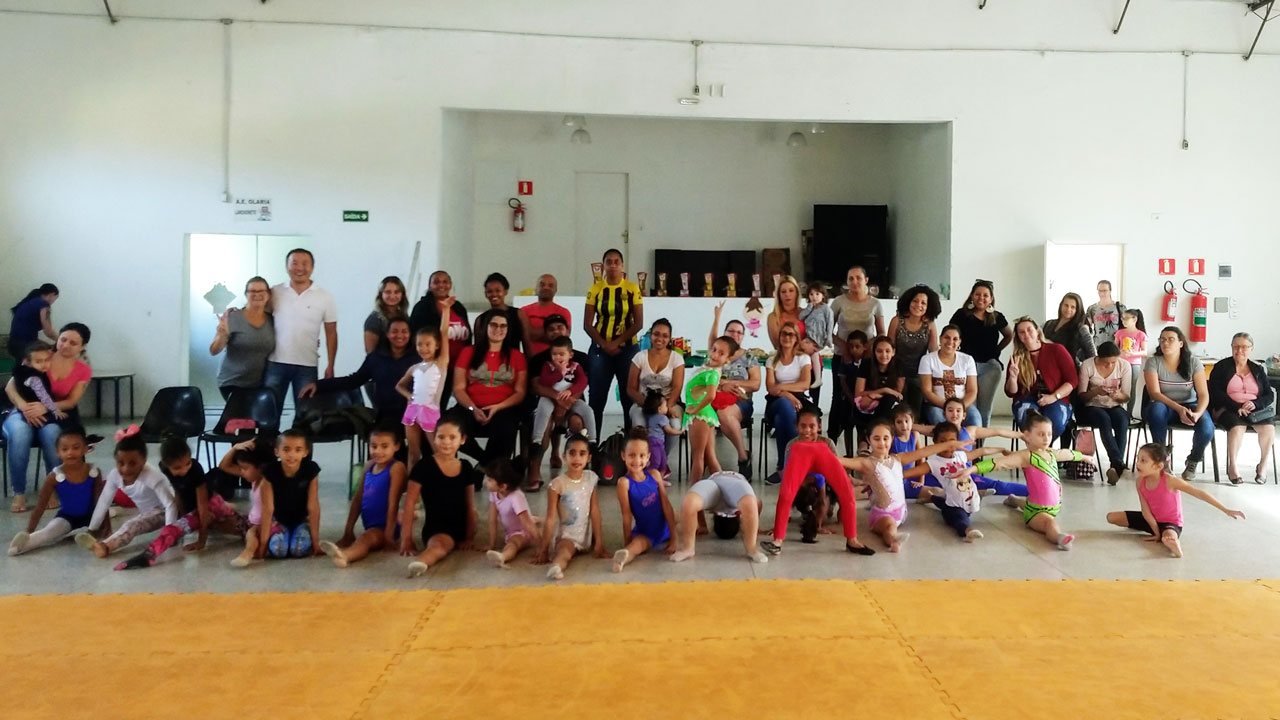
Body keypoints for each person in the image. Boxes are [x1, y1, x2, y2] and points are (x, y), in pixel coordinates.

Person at [963, 413, 1094, 551]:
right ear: (1027, 436)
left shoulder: (1050, 453)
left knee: (1028, 502)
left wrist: (1084, 457)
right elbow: (999, 463)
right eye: (1041, 434)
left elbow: (1067, 453)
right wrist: (972, 469)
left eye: (1049, 434)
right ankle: (1059, 537)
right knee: (1049, 523)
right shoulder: (1025, 456)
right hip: (1036, 512)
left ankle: (1013, 499)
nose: (1046, 438)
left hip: (1049, 506)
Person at [761, 407, 877, 556]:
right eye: (803, 426)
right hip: (804, 483)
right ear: (796, 427)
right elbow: (788, 481)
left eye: (811, 426)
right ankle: (778, 540)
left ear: (819, 427)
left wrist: (854, 481)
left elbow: (838, 471)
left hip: (822, 481)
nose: (807, 431)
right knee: (786, 494)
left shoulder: (826, 443)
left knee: (847, 491)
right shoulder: (793, 445)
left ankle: (852, 540)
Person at [4, 322, 92, 513]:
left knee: (52, 434)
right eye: (63, 339)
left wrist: (45, 407)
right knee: (20, 433)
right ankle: (18, 492)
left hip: (52, 413)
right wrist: (24, 407)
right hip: (22, 409)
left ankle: (52, 486)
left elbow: (71, 401)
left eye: (73, 343)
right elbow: (11, 386)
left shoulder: (82, 370)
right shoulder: (40, 354)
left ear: (82, 346)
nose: (66, 345)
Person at [1106, 443, 1246, 558]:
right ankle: (1162, 535)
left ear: (1158, 466)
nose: (1138, 464)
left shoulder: (1170, 481)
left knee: (1168, 538)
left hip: (1171, 523)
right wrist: (1156, 532)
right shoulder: (1140, 482)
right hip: (1151, 520)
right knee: (1111, 517)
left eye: (1143, 461)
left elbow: (1200, 493)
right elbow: (1145, 510)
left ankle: (1174, 546)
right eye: (1138, 459)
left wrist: (1225, 509)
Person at [851, 420, 971, 552]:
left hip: (902, 512)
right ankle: (894, 541)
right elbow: (840, 462)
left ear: (892, 439)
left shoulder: (898, 458)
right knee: (890, 527)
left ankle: (894, 536)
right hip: (883, 515)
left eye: (885, 438)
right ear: (869, 440)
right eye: (876, 438)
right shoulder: (866, 462)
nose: (882, 443)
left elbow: (924, 452)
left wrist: (950, 444)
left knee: (935, 491)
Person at [112, 437, 220, 570]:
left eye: (188, 463)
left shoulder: (195, 469)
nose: (184, 470)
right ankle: (148, 556)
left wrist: (202, 541)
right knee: (174, 527)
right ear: (165, 464)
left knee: (235, 525)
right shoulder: (164, 468)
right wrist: (182, 517)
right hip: (192, 508)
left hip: (211, 505)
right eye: (177, 468)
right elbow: (178, 492)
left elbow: (203, 506)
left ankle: (148, 555)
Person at [74, 431, 178, 558]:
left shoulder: (153, 477)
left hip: (165, 512)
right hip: (148, 512)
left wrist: (169, 534)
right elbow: (104, 501)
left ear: (144, 461)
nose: (126, 469)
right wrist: (93, 529)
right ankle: (100, 543)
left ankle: (106, 547)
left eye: (132, 463)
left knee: (132, 525)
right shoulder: (114, 475)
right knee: (133, 521)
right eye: (121, 463)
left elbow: (170, 505)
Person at [263, 249, 338, 417]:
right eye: (294, 263)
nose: (299, 268)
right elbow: (257, 314)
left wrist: (331, 365)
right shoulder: (275, 292)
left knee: (305, 416)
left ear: (312, 267)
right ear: (286, 266)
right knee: (269, 414)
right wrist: (235, 312)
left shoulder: (325, 297)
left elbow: (331, 333)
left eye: (305, 263)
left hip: (307, 365)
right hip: (275, 363)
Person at [319, 426, 407, 568]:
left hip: (385, 526)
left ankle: (346, 555)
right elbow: (358, 499)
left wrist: (389, 535)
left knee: (365, 539)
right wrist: (348, 531)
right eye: (374, 446)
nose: (378, 451)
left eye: (384, 446)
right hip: (371, 524)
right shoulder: (369, 466)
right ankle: (345, 549)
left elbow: (393, 502)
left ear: (396, 446)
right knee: (365, 536)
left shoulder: (396, 468)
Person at [302, 318, 416, 424]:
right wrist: (319, 385)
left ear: (410, 334)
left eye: (404, 331)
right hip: (385, 417)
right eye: (394, 331)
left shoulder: (418, 358)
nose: (399, 335)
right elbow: (353, 381)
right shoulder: (376, 358)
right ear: (387, 334)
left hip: (414, 416)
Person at [8, 429, 103, 556]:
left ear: (86, 449)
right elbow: (40, 506)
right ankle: (22, 544)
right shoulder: (54, 476)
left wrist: (104, 528)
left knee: (103, 522)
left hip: (91, 515)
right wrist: (29, 531)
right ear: (58, 453)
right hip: (67, 517)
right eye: (65, 449)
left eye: (76, 448)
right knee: (48, 533)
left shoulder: (93, 472)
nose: (70, 452)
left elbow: (101, 502)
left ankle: (91, 535)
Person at [403, 415, 477, 578]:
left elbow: (470, 505)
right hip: (437, 528)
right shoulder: (423, 467)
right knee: (439, 546)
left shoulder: (466, 467)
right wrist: (406, 538)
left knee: (474, 516)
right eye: (441, 437)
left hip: (461, 526)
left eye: (452, 437)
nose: (446, 442)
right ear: (434, 439)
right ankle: (421, 562)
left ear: (462, 440)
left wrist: (469, 537)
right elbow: (409, 503)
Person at [454, 309, 527, 467]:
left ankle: (484, 469)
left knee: (506, 430)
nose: (498, 329)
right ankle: (487, 464)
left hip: (503, 407)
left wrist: (497, 407)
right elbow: (458, 388)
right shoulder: (468, 352)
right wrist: (473, 408)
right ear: (485, 327)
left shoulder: (517, 356)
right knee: (451, 428)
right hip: (470, 406)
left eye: (503, 326)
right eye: (493, 325)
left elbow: (520, 392)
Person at [526, 315, 590, 491]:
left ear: (567, 330)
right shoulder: (538, 359)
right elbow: (537, 386)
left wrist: (565, 403)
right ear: (546, 334)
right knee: (544, 425)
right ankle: (534, 471)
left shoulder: (581, 358)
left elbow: (582, 385)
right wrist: (557, 400)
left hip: (572, 402)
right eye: (551, 329)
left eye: (560, 328)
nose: (556, 332)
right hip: (547, 401)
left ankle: (577, 470)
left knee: (577, 422)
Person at [913, 397, 1027, 496]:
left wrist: (1022, 435)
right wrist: (904, 423)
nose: (954, 414)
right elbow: (914, 427)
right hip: (942, 475)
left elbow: (998, 431)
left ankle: (1031, 490)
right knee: (912, 482)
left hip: (965, 475)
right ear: (944, 414)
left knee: (998, 486)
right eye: (950, 410)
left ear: (964, 415)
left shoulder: (971, 431)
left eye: (958, 411)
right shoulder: (938, 430)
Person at [583, 249, 644, 432]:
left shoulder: (632, 289)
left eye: (616, 262)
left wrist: (615, 343)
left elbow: (638, 323)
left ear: (622, 265)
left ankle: (630, 443)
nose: (613, 265)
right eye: (609, 262)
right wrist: (604, 344)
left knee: (629, 397)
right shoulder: (595, 289)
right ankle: (592, 443)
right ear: (603, 266)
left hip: (627, 349)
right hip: (600, 349)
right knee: (597, 397)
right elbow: (587, 324)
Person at [1144, 326, 1213, 481]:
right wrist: (1179, 408)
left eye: (1171, 339)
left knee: (1207, 427)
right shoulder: (1153, 362)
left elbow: (1203, 394)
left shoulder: (1194, 362)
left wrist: (1197, 413)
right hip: (1164, 406)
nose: (1165, 343)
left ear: (1181, 343)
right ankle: (1162, 459)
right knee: (1156, 410)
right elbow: (1155, 393)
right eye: (1162, 339)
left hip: (1190, 405)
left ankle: (1193, 460)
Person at [535, 434, 607, 580]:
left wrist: (599, 542)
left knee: (588, 543)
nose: (577, 458)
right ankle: (557, 567)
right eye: (572, 453)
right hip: (568, 536)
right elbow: (551, 518)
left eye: (582, 454)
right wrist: (543, 549)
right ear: (564, 456)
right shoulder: (557, 485)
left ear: (589, 458)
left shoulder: (590, 478)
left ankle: (589, 544)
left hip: (586, 534)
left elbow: (595, 511)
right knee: (565, 553)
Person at [1208, 332, 1275, 485]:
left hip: (1254, 410)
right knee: (1237, 427)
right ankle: (1233, 466)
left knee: (1268, 428)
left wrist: (1256, 404)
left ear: (1251, 349)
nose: (1239, 350)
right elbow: (1215, 391)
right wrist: (1236, 406)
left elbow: (1269, 395)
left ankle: (1262, 466)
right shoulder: (1221, 367)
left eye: (1244, 347)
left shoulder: (1258, 369)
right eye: (1236, 347)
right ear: (1231, 347)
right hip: (1228, 408)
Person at [612, 428, 679, 572]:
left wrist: (674, 537)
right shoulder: (624, 483)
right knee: (637, 546)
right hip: (646, 533)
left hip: (666, 527)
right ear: (623, 456)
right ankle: (623, 558)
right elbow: (626, 516)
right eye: (632, 455)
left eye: (642, 456)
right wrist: (627, 542)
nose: (637, 461)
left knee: (685, 515)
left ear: (648, 457)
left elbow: (666, 505)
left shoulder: (654, 475)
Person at [910, 423, 990, 543]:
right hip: (955, 508)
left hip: (962, 500)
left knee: (945, 503)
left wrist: (1001, 450)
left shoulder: (960, 456)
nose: (947, 446)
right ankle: (968, 531)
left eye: (951, 441)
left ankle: (931, 497)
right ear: (935, 442)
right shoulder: (933, 462)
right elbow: (912, 472)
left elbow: (982, 451)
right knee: (957, 516)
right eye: (942, 442)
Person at [948, 280, 1012, 428]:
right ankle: (967, 439)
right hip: (965, 366)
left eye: (985, 295)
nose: (981, 298)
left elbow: (1009, 335)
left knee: (984, 408)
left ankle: (981, 441)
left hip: (989, 367)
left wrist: (997, 350)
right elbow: (951, 335)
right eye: (977, 294)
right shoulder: (961, 315)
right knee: (970, 407)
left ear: (991, 299)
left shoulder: (997, 317)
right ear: (972, 296)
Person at [708, 303, 760, 477]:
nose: (735, 334)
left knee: (724, 413)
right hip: (714, 398)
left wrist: (730, 383)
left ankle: (743, 457)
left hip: (741, 401)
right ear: (725, 333)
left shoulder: (749, 356)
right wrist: (716, 317)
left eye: (739, 332)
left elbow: (755, 384)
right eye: (731, 331)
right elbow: (712, 341)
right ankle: (707, 457)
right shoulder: (718, 353)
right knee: (704, 413)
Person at [671, 470, 767, 563]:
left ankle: (688, 548)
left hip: (714, 480)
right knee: (750, 503)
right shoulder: (738, 507)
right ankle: (752, 549)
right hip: (735, 481)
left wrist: (703, 525)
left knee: (689, 503)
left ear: (715, 514)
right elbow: (757, 504)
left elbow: (758, 504)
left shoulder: (716, 507)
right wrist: (755, 528)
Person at [1005, 317, 1076, 441]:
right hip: (1027, 399)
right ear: (1018, 337)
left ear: (1037, 331)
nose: (1026, 334)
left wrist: (1054, 396)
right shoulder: (1016, 358)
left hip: (1056, 398)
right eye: (1022, 332)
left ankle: (1043, 449)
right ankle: (1037, 450)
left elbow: (1072, 381)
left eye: (1029, 330)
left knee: (1056, 421)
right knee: (1028, 420)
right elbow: (1011, 392)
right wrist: (1013, 377)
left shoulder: (1057, 349)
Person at [408, 270, 471, 410]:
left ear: (450, 285)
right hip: (435, 368)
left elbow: (468, 337)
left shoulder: (458, 307)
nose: (441, 285)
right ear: (430, 286)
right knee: (431, 408)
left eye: (445, 282)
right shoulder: (422, 307)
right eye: (436, 282)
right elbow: (416, 337)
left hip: (456, 368)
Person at [394, 320, 453, 469]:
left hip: (430, 411)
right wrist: (409, 396)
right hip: (412, 410)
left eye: (428, 344)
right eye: (419, 344)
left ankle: (443, 478)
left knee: (438, 451)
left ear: (437, 345)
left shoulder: (440, 364)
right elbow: (399, 386)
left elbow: (444, 332)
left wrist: (446, 310)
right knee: (413, 453)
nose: (423, 348)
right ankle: (411, 482)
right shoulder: (414, 368)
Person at [626, 318, 685, 462]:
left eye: (665, 336)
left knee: (675, 426)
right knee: (639, 425)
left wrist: (666, 408)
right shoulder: (640, 357)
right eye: (656, 334)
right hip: (642, 404)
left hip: (669, 404)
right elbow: (631, 389)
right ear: (650, 335)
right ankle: (643, 462)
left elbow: (677, 388)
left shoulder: (676, 359)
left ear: (669, 339)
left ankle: (661, 460)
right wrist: (649, 406)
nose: (660, 339)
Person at [209, 276, 275, 401]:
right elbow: (213, 350)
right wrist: (222, 335)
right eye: (252, 291)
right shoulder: (232, 318)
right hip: (232, 382)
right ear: (246, 294)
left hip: (260, 383)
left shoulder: (273, 320)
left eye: (261, 291)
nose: (257, 294)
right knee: (242, 413)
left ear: (268, 295)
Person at [1077, 342, 1133, 484]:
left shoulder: (1124, 365)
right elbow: (1081, 396)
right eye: (1105, 362)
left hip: (1114, 405)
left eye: (1113, 362)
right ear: (1098, 358)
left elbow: (1126, 396)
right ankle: (1118, 463)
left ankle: (1115, 466)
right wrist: (1096, 391)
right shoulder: (1087, 365)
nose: (1109, 365)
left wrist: (1118, 396)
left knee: (1122, 420)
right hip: (1092, 406)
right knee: (1104, 419)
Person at [764, 321, 812, 483]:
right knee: (784, 405)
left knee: (781, 420)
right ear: (779, 337)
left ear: (797, 338)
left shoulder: (803, 358)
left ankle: (783, 467)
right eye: (784, 333)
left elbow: (805, 384)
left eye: (791, 334)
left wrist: (782, 387)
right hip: (775, 402)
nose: (787, 337)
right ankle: (799, 462)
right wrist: (787, 395)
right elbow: (770, 388)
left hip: (800, 402)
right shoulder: (772, 360)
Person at [531, 336, 594, 458]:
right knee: (543, 410)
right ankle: (537, 440)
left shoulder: (575, 366)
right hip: (550, 398)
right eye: (554, 354)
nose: (558, 357)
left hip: (569, 398)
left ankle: (592, 441)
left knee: (588, 411)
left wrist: (570, 391)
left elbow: (582, 382)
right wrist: (558, 373)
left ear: (570, 355)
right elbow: (544, 381)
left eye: (561, 354)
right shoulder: (548, 366)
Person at [263, 429, 322, 559]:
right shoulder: (270, 471)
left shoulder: (310, 470)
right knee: (278, 551)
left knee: (298, 550)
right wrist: (262, 546)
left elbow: (313, 506)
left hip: (301, 520)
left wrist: (316, 543)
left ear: (305, 452)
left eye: (298, 450)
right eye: (286, 449)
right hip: (279, 521)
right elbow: (268, 509)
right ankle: (284, 534)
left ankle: (301, 531)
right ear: (277, 452)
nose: (291, 455)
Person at [685, 336, 737, 484]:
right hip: (705, 414)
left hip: (700, 415)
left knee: (698, 457)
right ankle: (725, 489)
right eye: (714, 350)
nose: (715, 355)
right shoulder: (708, 368)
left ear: (727, 359)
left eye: (721, 353)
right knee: (710, 457)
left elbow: (711, 395)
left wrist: (695, 410)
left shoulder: (712, 373)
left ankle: (694, 492)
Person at [887, 285, 940, 414]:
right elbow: (889, 349)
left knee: (915, 412)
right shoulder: (896, 321)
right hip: (897, 372)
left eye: (923, 303)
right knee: (897, 411)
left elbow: (933, 351)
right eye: (915, 301)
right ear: (908, 302)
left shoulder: (930, 325)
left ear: (929, 307)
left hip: (919, 374)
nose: (918, 305)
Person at [228, 439, 281, 568]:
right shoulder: (253, 478)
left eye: (245, 468)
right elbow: (224, 466)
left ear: (260, 468)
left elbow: (268, 511)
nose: (241, 472)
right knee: (222, 517)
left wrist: (263, 543)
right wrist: (235, 448)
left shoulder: (265, 483)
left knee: (251, 533)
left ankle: (247, 553)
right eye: (240, 468)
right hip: (250, 521)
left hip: (263, 524)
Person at [481, 458, 541, 568]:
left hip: (522, 531)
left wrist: (541, 546)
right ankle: (536, 519)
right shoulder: (494, 493)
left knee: (513, 544)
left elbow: (527, 523)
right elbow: (492, 520)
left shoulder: (516, 497)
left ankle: (503, 557)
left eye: (489, 480)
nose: (485, 482)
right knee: (528, 519)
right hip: (511, 530)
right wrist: (491, 544)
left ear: (503, 486)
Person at [918, 325, 980, 427]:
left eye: (955, 339)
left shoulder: (968, 360)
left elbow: (972, 391)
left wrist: (958, 407)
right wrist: (948, 406)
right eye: (947, 337)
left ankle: (966, 439)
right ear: (940, 339)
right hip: (937, 405)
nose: (950, 342)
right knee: (938, 419)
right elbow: (927, 391)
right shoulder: (928, 360)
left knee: (975, 419)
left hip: (963, 405)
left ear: (959, 342)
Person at [853, 335, 905, 451]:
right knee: (863, 405)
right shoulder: (866, 364)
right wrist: (884, 391)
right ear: (874, 352)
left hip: (888, 404)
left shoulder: (898, 365)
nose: (883, 355)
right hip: (869, 404)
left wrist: (876, 395)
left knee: (889, 401)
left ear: (893, 352)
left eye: (887, 351)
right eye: (879, 351)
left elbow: (897, 394)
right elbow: (858, 393)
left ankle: (867, 437)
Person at [11, 342, 65, 424]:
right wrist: (55, 410)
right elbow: (43, 396)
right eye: (38, 362)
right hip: (30, 410)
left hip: (31, 408)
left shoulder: (22, 370)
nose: (44, 364)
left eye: (47, 360)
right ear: (29, 363)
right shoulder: (34, 377)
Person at [519, 273, 571, 358]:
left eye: (550, 285)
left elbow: (563, 338)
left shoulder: (564, 312)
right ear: (536, 288)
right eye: (542, 285)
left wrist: (532, 332)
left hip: (556, 360)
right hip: (531, 359)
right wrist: (551, 333)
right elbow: (524, 335)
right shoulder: (523, 311)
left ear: (555, 290)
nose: (546, 288)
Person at [474, 272, 527, 353]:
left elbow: (527, 344)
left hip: (514, 359)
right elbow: (477, 349)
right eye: (490, 291)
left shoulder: (519, 314)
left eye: (498, 290)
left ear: (505, 291)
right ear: (485, 294)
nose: (494, 294)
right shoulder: (480, 319)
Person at [799, 282, 833, 406]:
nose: (814, 297)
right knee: (805, 354)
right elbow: (800, 317)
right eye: (811, 294)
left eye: (817, 294)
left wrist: (829, 337)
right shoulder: (809, 308)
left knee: (814, 354)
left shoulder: (826, 309)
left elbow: (830, 323)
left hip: (818, 337)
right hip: (808, 336)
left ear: (823, 295)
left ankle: (818, 378)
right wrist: (809, 308)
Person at [834, 331, 869, 454]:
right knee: (847, 426)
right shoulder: (845, 362)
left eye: (857, 346)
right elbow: (842, 381)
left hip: (862, 401)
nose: (854, 349)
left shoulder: (868, 363)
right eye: (851, 346)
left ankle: (861, 453)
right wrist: (851, 397)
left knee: (861, 428)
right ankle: (848, 454)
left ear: (865, 347)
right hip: (848, 400)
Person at [7, 283, 58, 359]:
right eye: (55, 299)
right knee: (50, 354)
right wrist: (61, 340)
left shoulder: (29, 302)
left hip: (13, 343)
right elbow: (48, 331)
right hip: (25, 346)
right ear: (51, 295)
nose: (53, 301)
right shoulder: (43, 304)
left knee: (48, 347)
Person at [1043, 292, 1096, 364]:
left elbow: (1092, 355)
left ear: (1078, 310)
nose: (1068, 309)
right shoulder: (1048, 324)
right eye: (1066, 305)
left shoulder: (1081, 329)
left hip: (1069, 368)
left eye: (1073, 307)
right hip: (1048, 366)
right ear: (1061, 305)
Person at [363, 276, 409, 353]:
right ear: (381, 294)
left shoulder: (404, 316)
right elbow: (370, 352)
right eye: (388, 292)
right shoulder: (374, 320)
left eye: (397, 292)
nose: (392, 296)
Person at [1114, 309, 1147, 411]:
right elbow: (1114, 349)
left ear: (1134, 319)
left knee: (1132, 388)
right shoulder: (1119, 333)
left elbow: (1144, 352)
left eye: (1126, 319)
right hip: (1121, 363)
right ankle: (1118, 410)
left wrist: (1133, 353)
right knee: (1118, 386)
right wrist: (1120, 352)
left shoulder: (1141, 334)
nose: (1123, 321)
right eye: (1122, 319)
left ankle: (1129, 413)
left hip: (1134, 364)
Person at [643, 390, 681, 477]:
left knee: (657, 462)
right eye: (665, 406)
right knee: (658, 463)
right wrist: (680, 432)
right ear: (659, 409)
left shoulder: (649, 416)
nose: (667, 407)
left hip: (652, 442)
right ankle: (650, 477)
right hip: (657, 443)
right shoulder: (662, 418)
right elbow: (669, 430)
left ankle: (659, 479)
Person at [1086, 280, 1127, 350]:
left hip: (1115, 346)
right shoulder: (1092, 309)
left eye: (1105, 290)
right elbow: (1086, 327)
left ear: (1110, 291)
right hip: (1098, 346)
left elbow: (1127, 326)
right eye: (1100, 291)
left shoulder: (1120, 307)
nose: (1102, 293)